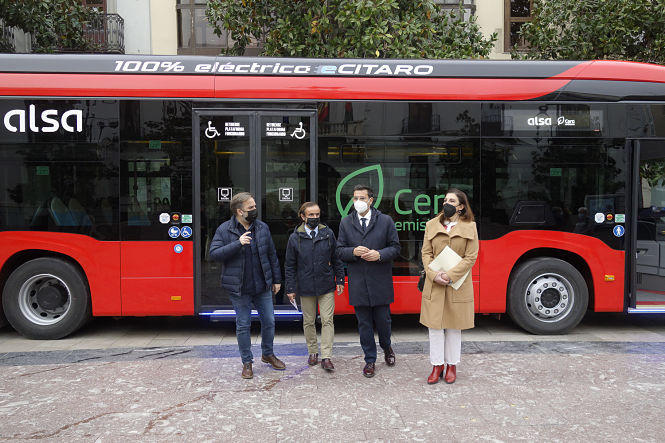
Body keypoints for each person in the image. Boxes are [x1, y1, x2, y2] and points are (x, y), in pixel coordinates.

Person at [208, 192, 285, 379]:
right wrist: (237, 243)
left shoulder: (262, 228)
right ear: (239, 211)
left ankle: (267, 354)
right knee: (243, 325)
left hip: (262, 286)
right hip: (239, 288)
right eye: (251, 208)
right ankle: (247, 362)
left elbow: (272, 255)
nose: (255, 210)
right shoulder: (225, 230)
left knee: (269, 321)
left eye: (255, 206)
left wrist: (276, 280)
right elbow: (214, 253)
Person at [337, 185, 401, 378]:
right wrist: (353, 252)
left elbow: (396, 248)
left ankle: (387, 347)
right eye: (355, 198)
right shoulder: (346, 222)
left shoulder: (386, 221)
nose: (358, 202)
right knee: (364, 325)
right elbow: (339, 250)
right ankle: (370, 360)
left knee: (383, 322)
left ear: (371, 200)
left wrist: (380, 254)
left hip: (380, 281)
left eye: (362, 198)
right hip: (358, 282)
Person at [420, 188, 478, 385]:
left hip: (457, 285)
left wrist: (450, 275)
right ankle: (437, 365)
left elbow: (471, 257)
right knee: (434, 327)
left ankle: (451, 365)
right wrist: (434, 274)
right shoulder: (431, 225)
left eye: (452, 200)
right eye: (445, 199)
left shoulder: (470, 227)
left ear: (461, 206)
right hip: (434, 284)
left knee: (454, 327)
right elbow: (426, 253)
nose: (447, 203)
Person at [285, 202, 345, 371]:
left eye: (317, 214)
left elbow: (336, 258)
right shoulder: (295, 237)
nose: (314, 218)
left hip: (326, 284)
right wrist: (290, 288)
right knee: (309, 321)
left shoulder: (327, 233)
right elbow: (290, 265)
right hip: (305, 286)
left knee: (327, 320)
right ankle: (312, 352)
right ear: (302, 216)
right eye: (310, 215)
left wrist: (340, 279)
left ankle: (326, 356)